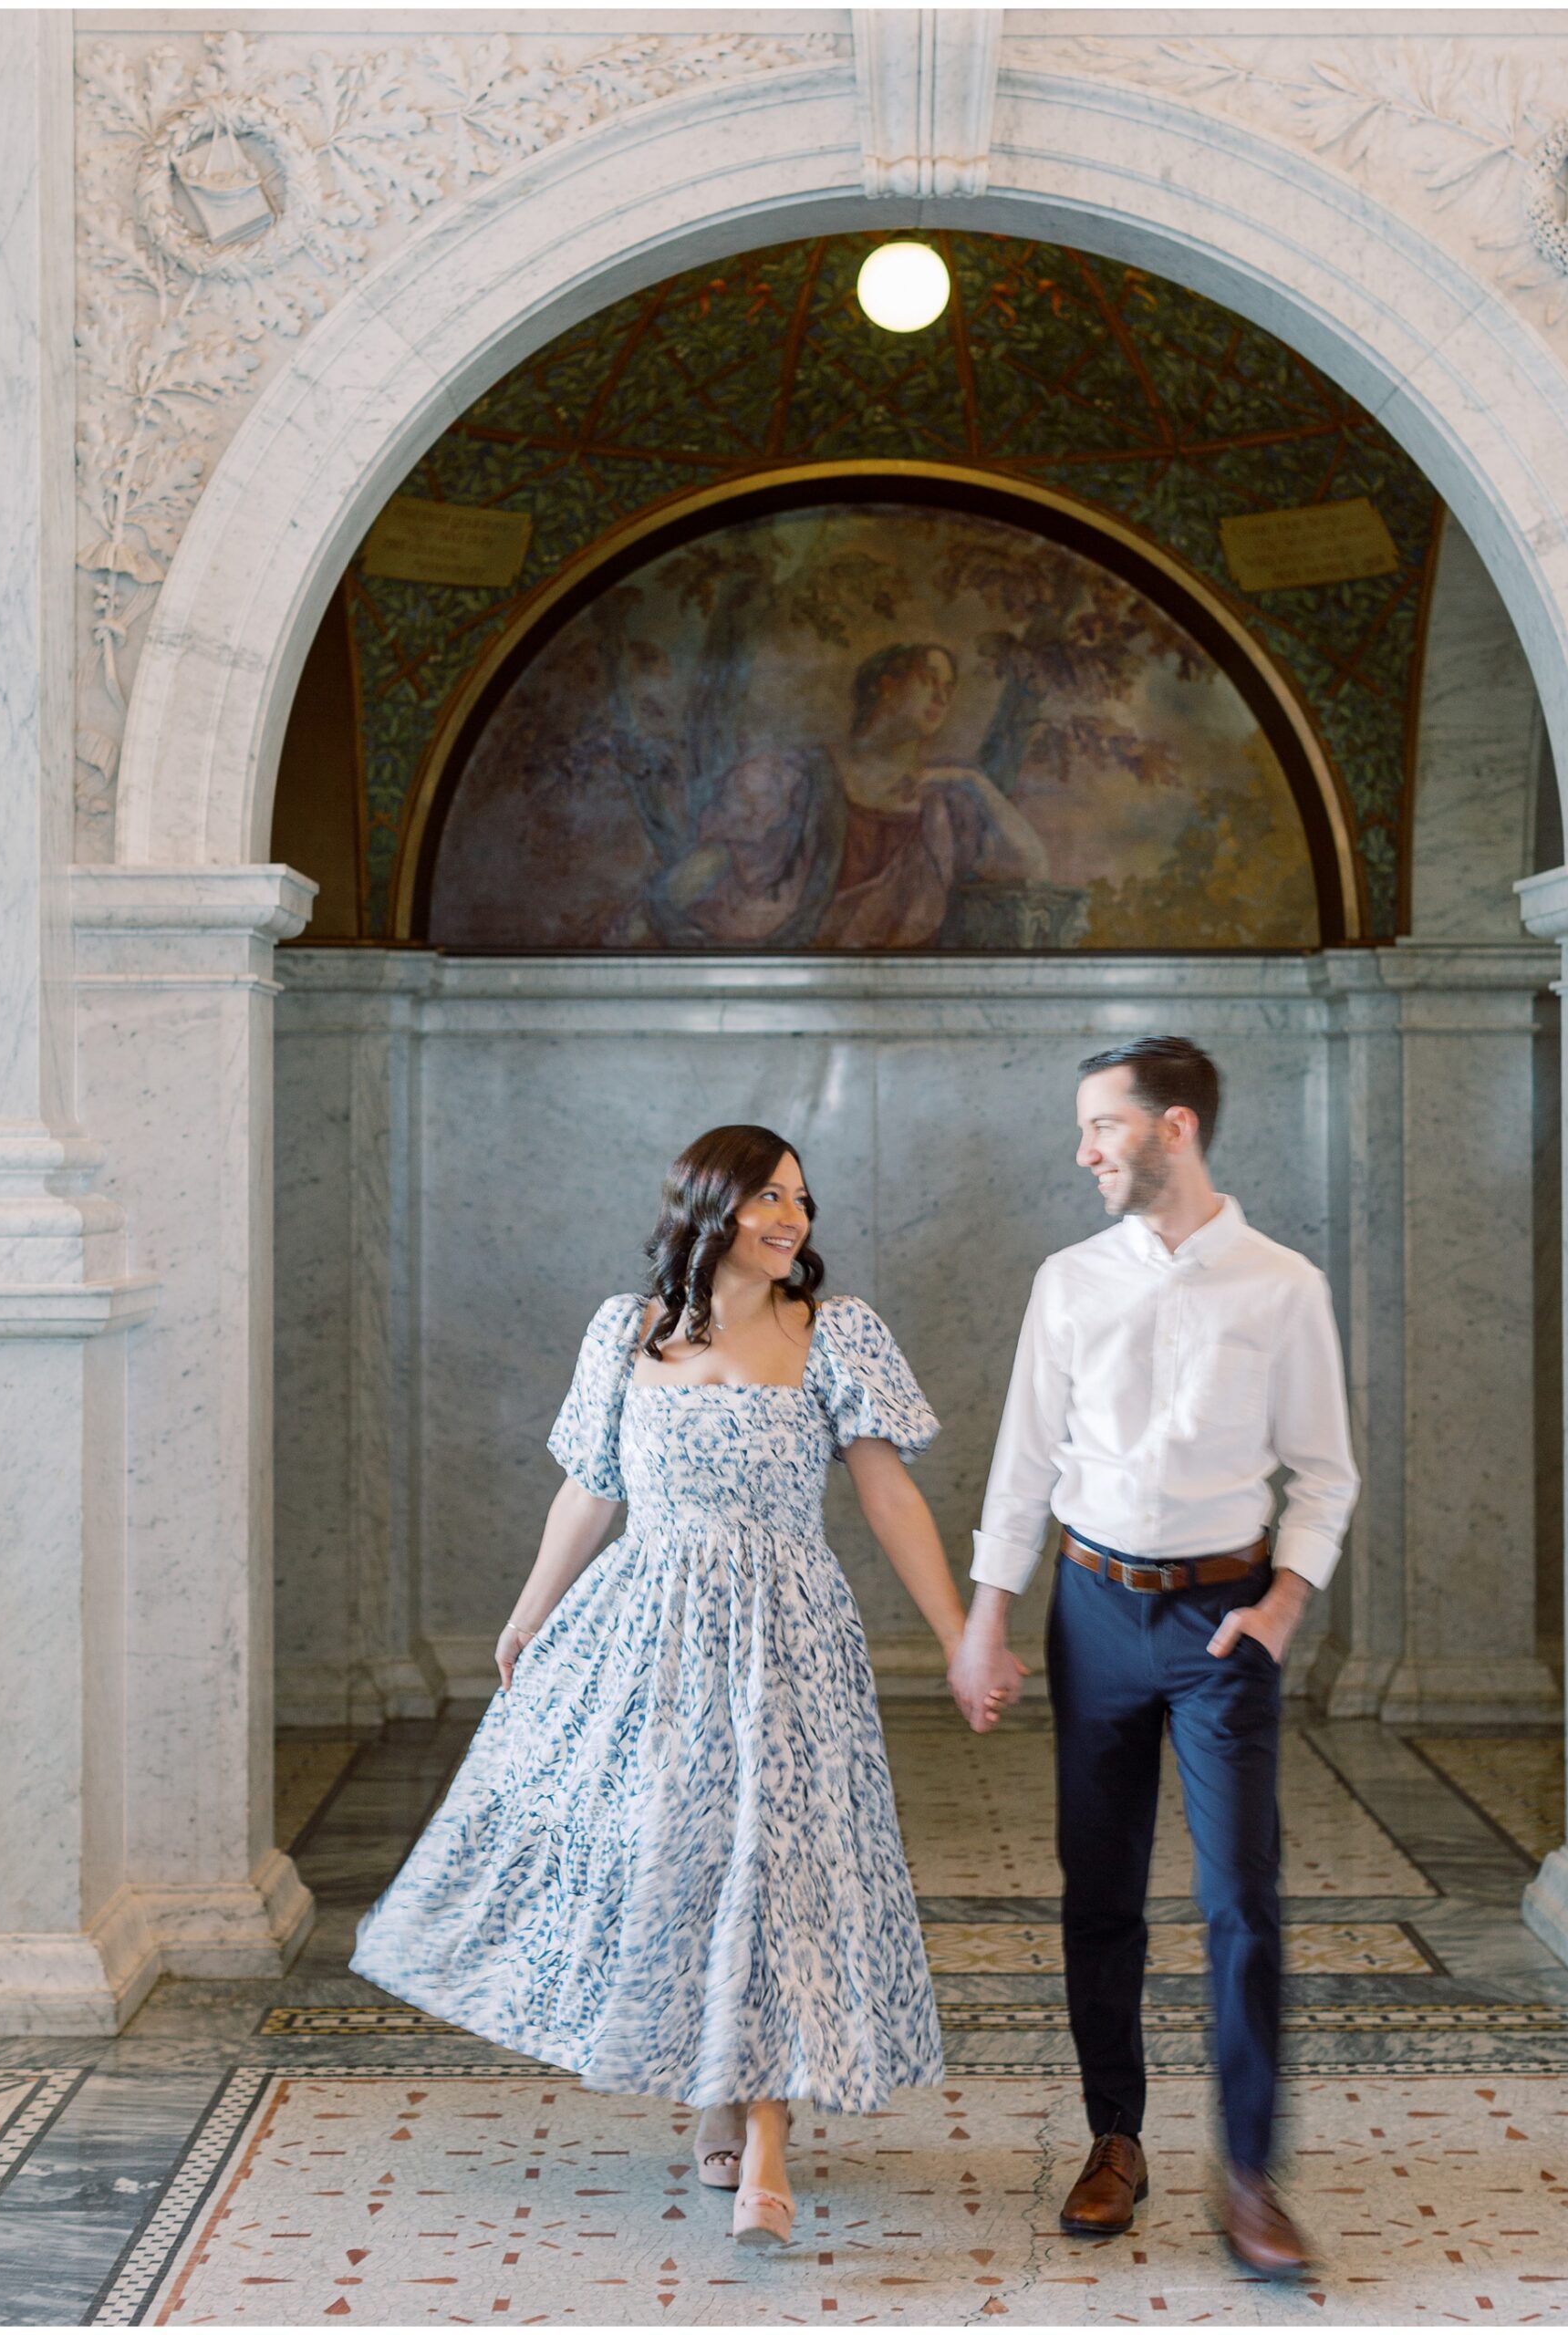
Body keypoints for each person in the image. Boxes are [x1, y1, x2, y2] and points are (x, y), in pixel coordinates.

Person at [352, 1125, 994, 2248]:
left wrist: (957, 1635)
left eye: (800, 1197)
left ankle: (766, 2146)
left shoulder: (833, 1332)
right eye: (766, 1198)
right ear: (708, 1209)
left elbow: (889, 1498)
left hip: (785, 1634)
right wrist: (526, 1611)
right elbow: (587, 1491)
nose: (792, 1217)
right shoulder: (625, 1330)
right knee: (680, 1860)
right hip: (647, 1630)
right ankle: (713, 2081)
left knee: (776, 1869)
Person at [948, 1036, 1359, 2279]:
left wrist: (1285, 1603)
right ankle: (1113, 2138)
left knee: (1242, 1900)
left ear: (1173, 1128)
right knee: (1100, 1892)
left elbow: (1325, 1474)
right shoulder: (1067, 1282)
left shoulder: (1282, 1286)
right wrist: (987, 1615)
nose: (1083, 1152)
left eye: (1101, 1128)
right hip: (1091, 1612)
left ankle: (1248, 2176)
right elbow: (1026, 1459)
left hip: (1223, 1619)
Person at [818, 642, 1050, 947]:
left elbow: (1032, 867)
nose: (941, 698)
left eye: (949, 689)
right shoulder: (812, 777)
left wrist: (971, 781)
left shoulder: (946, 798)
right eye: (929, 681)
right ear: (887, 686)